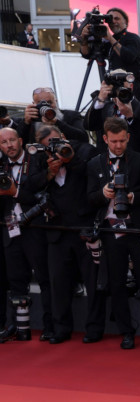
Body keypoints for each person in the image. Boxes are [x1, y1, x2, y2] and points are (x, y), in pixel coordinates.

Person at [25, 126, 105, 345]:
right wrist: (49, 173)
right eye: (48, 146)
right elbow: (30, 186)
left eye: (56, 142)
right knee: (58, 283)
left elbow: (91, 175)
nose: (53, 148)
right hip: (56, 231)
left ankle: (94, 328)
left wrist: (69, 159)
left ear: (63, 137)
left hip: (84, 229)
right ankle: (61, 328)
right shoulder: (40, 158)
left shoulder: (84, 150)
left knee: (92, 282)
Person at [86, 117, 140, 350]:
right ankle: (126, 332)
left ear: (128, 137)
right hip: (110, 232)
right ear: (105, 139)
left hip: (138, 230)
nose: (118, 145)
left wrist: (133, 197)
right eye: (113, 141)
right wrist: (103, 194)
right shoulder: (95, 164)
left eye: (122, 141)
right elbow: (89, 198)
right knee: (116, 284)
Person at [0, 127, 53, 342]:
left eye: (12, 140)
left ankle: (50, 326)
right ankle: (19, 326)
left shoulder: (37, 161)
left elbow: (41, 195)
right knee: (15, 280)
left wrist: (16, 193)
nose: (9, 145)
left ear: (20, 140)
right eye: (4, 142)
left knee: (44, 278)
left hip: (35, 229)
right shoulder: (1, 165)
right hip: (10, 228)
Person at [80, 8, 140, 100]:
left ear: (125, 22)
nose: (113, 22)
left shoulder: (133, 38)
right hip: (114, 87)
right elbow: (87, 54)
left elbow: (128, 57)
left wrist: (110, 38)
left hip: (132, 88)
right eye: (110, 19)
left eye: (117, 18)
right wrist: (84, 39)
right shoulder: (109, 40)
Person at [19, 87, 89, 144]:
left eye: (49, 102)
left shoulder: (71, 115)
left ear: (56, 101)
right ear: (33, 104)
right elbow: (18, 144)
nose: (46, 107)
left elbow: (84, 138)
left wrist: (57, 123)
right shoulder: (30, 120)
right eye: (40, 103)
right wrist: (26, 123)